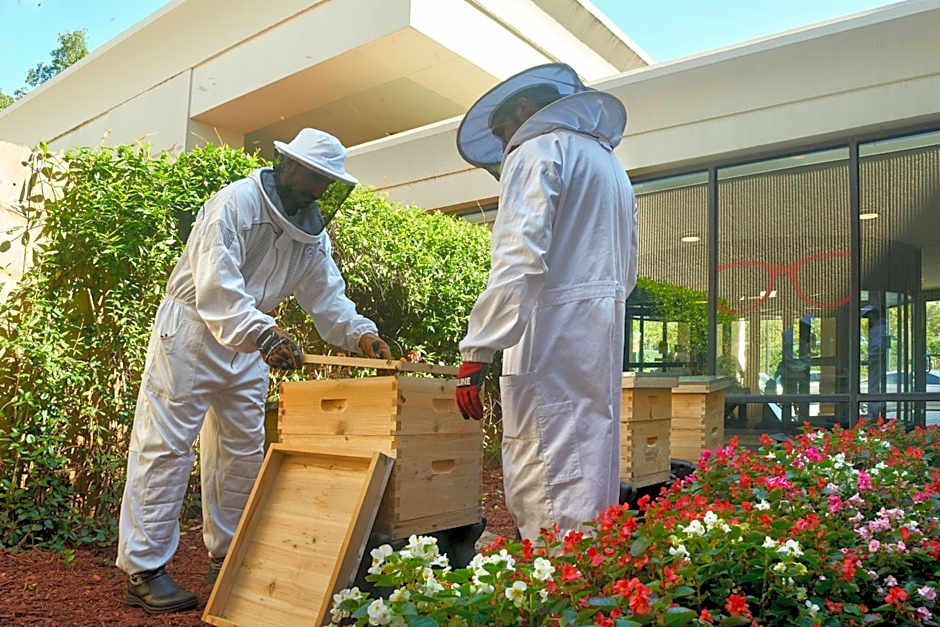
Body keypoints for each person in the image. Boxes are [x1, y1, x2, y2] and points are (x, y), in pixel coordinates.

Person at [117, 128, 390, 614]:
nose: (320, 190)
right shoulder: (235, 204)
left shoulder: (310, 231)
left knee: (241, 452)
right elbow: (216, 286)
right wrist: (262, 334)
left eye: (327, 182)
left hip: (251, 342)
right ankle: (144, 569)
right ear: (289, 165)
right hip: (193, 331)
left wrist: (359, 333)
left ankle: (229, 554)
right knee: (166, 447)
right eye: (315, 178)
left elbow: (326, 295)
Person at [453, 64, 637, 539]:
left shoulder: (538, 150)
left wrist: (478, 349)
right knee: (591, 448)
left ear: (524, 109)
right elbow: (627, 268)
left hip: (550, 328)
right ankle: (591, 564)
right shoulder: (609, 164)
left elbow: (518, 256)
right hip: (600, 328)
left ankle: (553, 571)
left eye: (502, 131)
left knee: (544, 454)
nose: (504, 144)